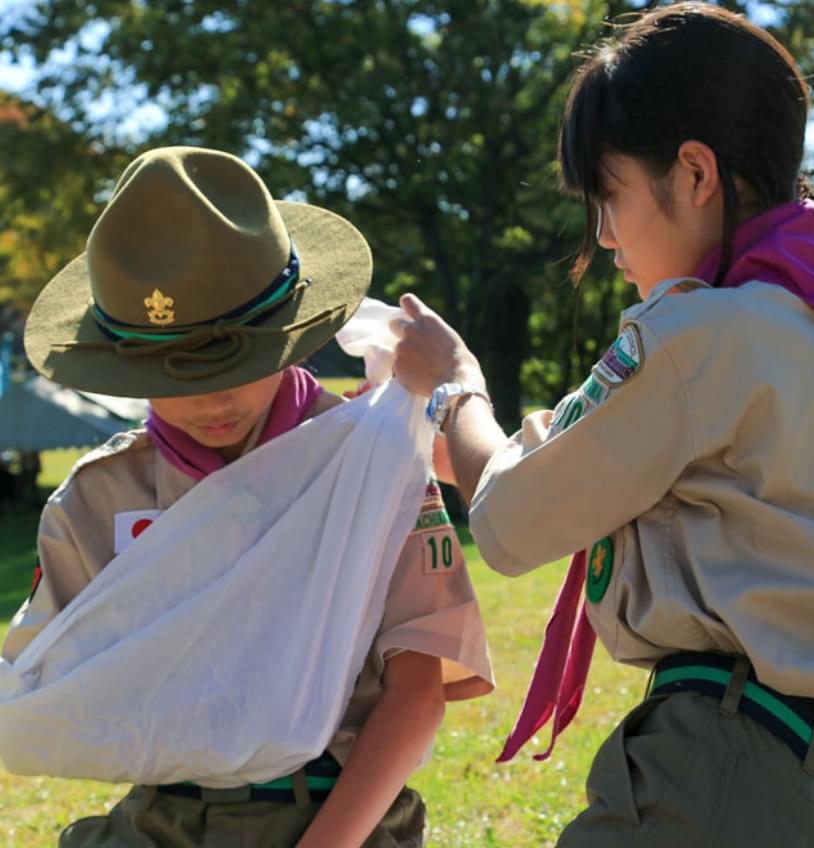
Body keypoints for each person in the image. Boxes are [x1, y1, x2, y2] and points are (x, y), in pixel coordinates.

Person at [390, 4, 814, 845]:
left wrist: (454, 393)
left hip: (724, 765)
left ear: (696, 174)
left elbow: (511, 516)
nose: (602, 237)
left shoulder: (697, 336)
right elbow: (567, 468)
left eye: (608, 195)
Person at [2, 146, 493, 848]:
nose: (208, 400)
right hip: (161, 818)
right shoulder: (97, 499)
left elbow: (414, 695)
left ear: (292, 333)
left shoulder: (367, 465)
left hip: (337, 814)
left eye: (235, 360)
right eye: (171, 373)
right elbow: (45, 690)